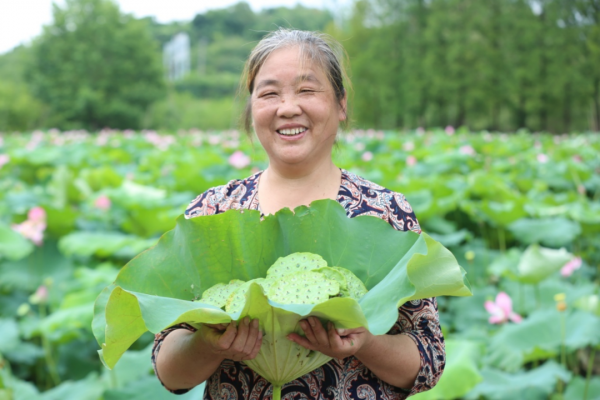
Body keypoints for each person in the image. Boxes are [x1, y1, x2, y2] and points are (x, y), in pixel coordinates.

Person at [152, 28, 444, 400]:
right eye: (269, 93)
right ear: (251, 108)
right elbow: (169, 372)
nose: (288, 108)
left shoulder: (383, 212)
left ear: (341, 104)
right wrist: (208, 346)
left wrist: (365, 342)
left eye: (306, 90)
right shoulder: (213, 213)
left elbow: (429, 362)